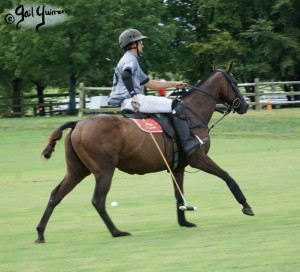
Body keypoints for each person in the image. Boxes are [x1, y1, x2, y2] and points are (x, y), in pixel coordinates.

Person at [108, 29, 204, 156]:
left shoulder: (130, 59)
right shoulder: (130, 59)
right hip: (134, 100)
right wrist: (134, 96)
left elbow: (150, 83)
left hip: (129, 101)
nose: (143, 45)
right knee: (177, 105)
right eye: (140, 42)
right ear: (133, 44)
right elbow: (126, 75)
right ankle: (187, 143)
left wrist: (173, 84)